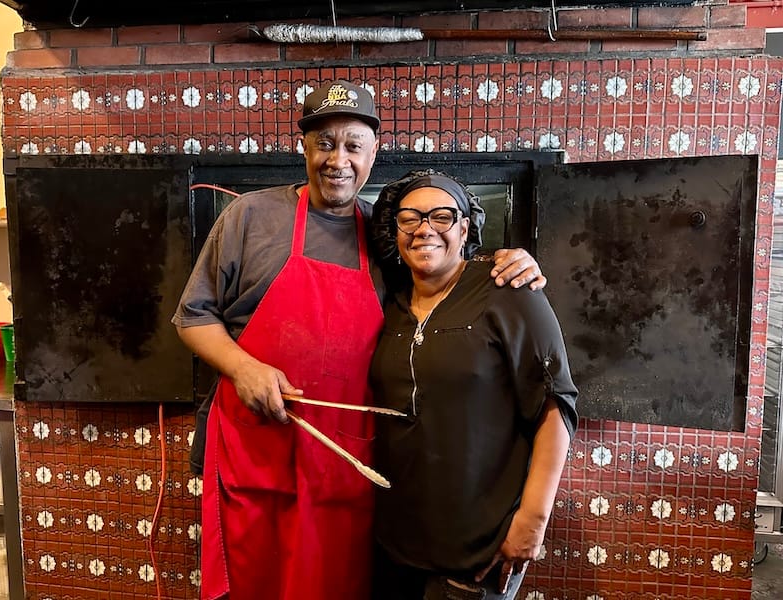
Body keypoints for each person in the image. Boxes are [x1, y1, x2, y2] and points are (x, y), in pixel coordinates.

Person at [172, 80, 546, 600]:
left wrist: (510, 261)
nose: (337, 160)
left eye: (353, 146)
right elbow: (193, 317)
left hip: (342, 463)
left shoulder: (384, 233)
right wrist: (243, 368)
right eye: (324, 143)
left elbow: (441, 270)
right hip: (255, 449)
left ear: (373, 153)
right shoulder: (249, 217)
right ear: (303, 147)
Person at [368, 169, 579, 600]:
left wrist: (533, 520)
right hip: (397, 545)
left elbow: (555, 405)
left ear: (465, 227)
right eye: (410, 218)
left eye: (441, 216)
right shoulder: (387, 303)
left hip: (479, 549)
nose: (425, 229)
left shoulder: (509, 291)